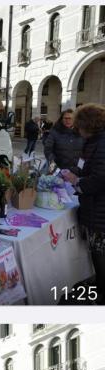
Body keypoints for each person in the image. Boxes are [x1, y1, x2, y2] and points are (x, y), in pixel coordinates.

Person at [62, 104, 105, 304]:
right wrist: (72, 172)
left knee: (101, 255)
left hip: (100, 211)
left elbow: (99, 179)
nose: (77, 129)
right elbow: (83, 166)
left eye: (79, 126)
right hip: (92, 208)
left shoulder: (102, 143)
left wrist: (76, 182)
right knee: (97, 254)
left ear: (89, 125)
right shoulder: (91, 143)